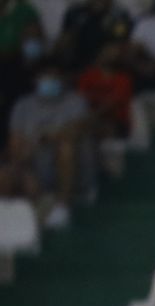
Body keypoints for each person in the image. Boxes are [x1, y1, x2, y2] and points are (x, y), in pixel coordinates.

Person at [7, 62, 93, 229]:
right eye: (45, 77)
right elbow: (15, 141)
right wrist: (21, 166)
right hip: (35, 167)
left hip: (72, 170)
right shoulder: (23, 105)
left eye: (54, 76)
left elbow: (77, 128)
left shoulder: (75, 101)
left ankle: (63, 206)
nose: (50, 80)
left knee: (65, 147)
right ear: (35, 80)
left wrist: (48, 137)